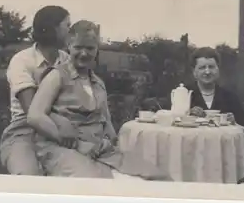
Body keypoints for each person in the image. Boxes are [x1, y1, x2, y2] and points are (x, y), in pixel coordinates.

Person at [27, 20, 172, 181]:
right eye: (78, 47)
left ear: (97, 50)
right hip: (62, 147)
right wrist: (73, 142)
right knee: (96, 184)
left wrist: (107, 141)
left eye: (89, 48)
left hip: (97, 149)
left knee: (158, 177)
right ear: (69, 46)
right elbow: (35, 116)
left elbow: (106, 123)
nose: (84, 53)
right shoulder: (57, 76)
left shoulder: (98, 83)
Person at [0, 5, 72, 175]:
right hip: (23, 131)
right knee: (28, 176)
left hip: (61, 129)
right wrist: (63, 125)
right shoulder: (22, 60)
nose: (71, 31)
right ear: (53, 28)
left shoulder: (67, 60)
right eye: (67, 25)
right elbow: (31, 109)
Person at [184, 47, 244, 181]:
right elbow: (173, 120)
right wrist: (187, 115)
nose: (207, 71)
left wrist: (235, 122)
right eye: (202, 67)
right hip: (193, 157)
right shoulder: (185, 94)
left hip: (224, 159)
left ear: (218, 70)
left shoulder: (230, 97)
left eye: (211, 67)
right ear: (194, 72)